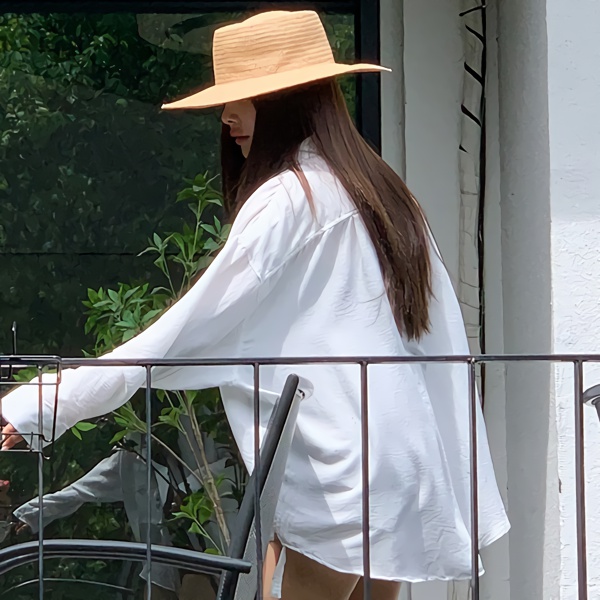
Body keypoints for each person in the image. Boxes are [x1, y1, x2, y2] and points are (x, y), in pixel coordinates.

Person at [0, 9, 510, 600]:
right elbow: (436, 343)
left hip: (342, 478)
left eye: (243, 97)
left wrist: (44, 403)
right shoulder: (381, 193)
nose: (227, 115)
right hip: (400, 463)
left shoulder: (293, 198)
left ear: (285, 99)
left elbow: (180, 333)